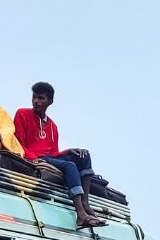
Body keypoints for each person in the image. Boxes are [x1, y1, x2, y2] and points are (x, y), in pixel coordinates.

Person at [13, 82, 106, 229]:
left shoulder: (52, 126)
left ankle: (85, 203)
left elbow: (54, 152)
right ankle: (80, 214)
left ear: (50, 101)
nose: (36, 101)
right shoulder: (22, 114)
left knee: (84, 155)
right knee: (70, 166)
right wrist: (32, 158)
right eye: (34, 97)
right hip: (37, 158)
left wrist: (68, 151)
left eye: (41, 98)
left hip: (50, 158)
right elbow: (17, 142)